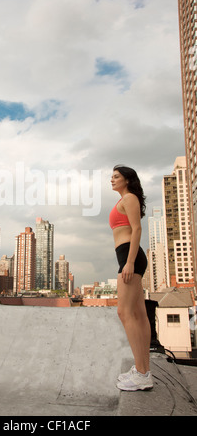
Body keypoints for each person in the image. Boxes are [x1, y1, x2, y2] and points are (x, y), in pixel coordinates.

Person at [109, 165, 153, 391]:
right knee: (138, 314)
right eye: (111, 177)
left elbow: (136, 230)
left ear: (127, 179)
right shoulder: (124, 200)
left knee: (124, 312)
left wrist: (129, 262)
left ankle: (142, 374)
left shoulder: (130, 198)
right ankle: (143, 370)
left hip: (130, 256)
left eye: (116, 176)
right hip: (128, 256)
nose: (112, 180)